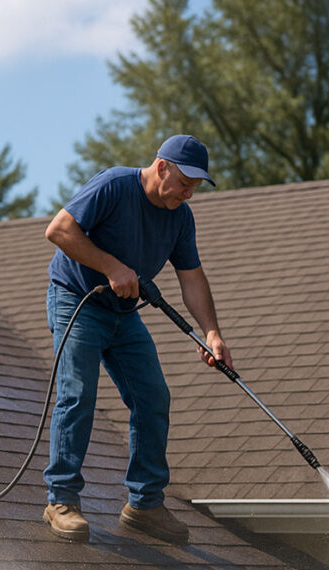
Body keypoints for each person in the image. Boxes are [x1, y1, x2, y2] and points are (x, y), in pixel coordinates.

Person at [42, 134, 231, 544]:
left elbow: (192, 277)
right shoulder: (113, 185)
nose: (188, 194)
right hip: (77, 300)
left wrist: (211, 333)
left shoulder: (180, 217)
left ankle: (144, 504)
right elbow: (58, 230)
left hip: (122, 314)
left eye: (195, 187)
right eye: (184, 183)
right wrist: (112, 266)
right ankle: (61, 500)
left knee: (153, 397)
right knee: (77, 394)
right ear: (161, 167)